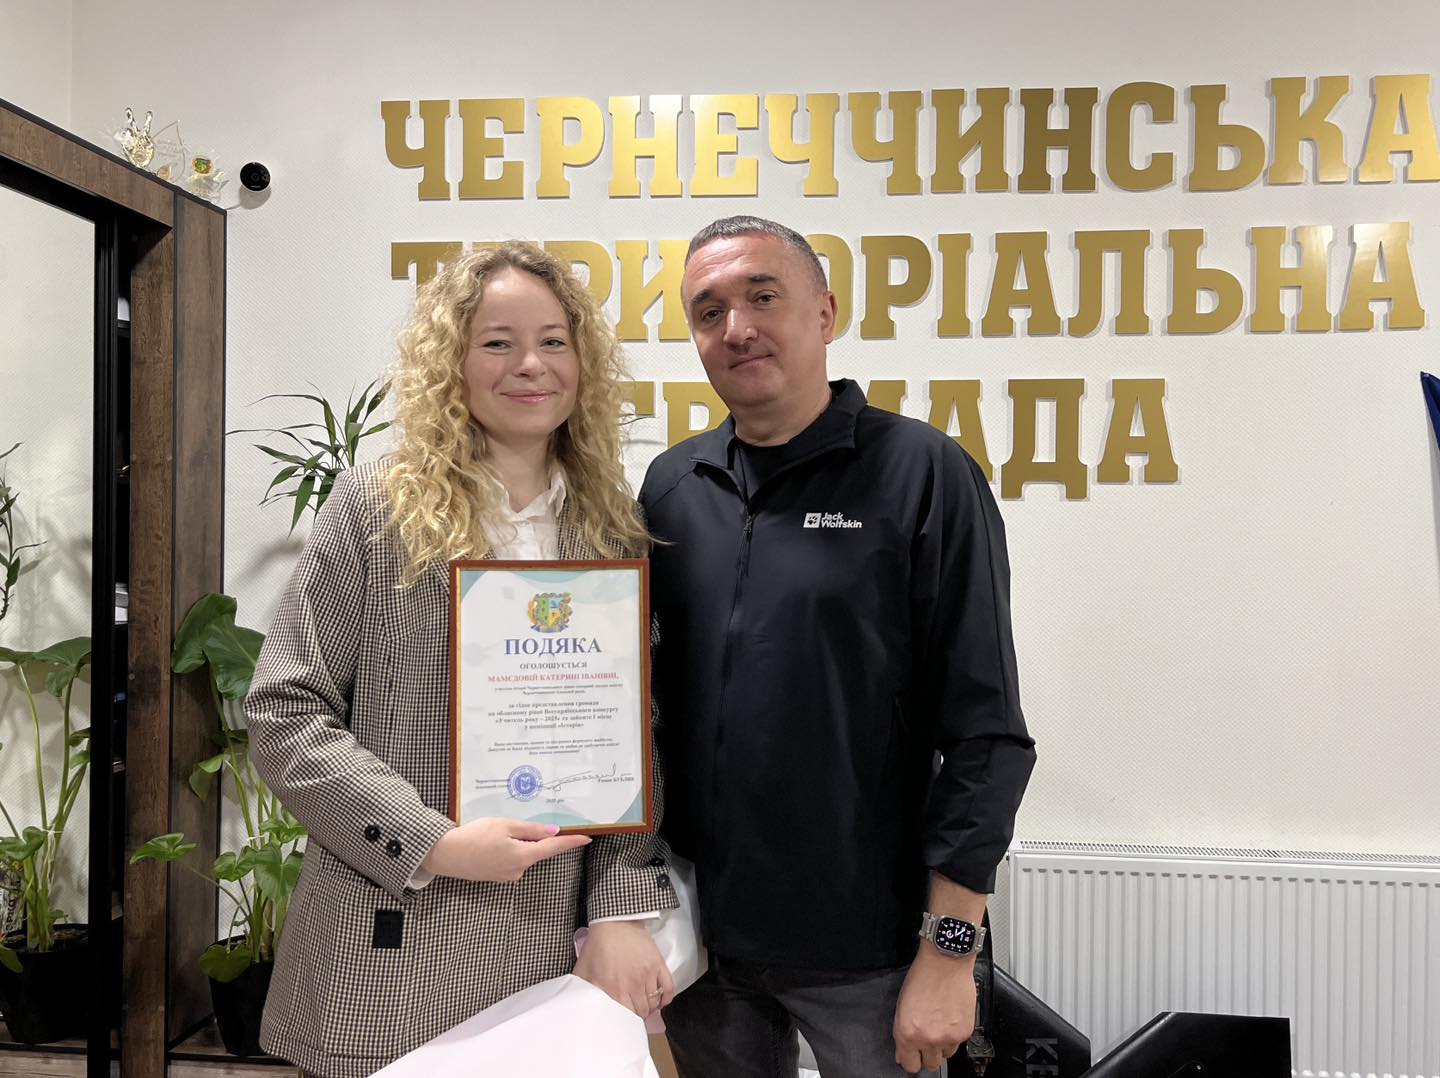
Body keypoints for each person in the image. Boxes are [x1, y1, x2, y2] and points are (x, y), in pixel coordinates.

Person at [246, 242, 678, 1078]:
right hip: (390, 933)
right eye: (497, 342)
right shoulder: (375, 508)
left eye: (553, 342)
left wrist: (621, 908)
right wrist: (431, 843)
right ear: (451, 361)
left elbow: (636, 736)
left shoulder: (613, 529)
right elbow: (284, 710)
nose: (530, 365)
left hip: (554, 941)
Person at [640, 216, 1037, 1077]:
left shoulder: (922, 473)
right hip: (706, 947)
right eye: (709, 312)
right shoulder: (671, 488)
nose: (736, 328)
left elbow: (988, 735)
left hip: (874, 954)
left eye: (763, 297)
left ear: (825, 313)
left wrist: (950, 953)